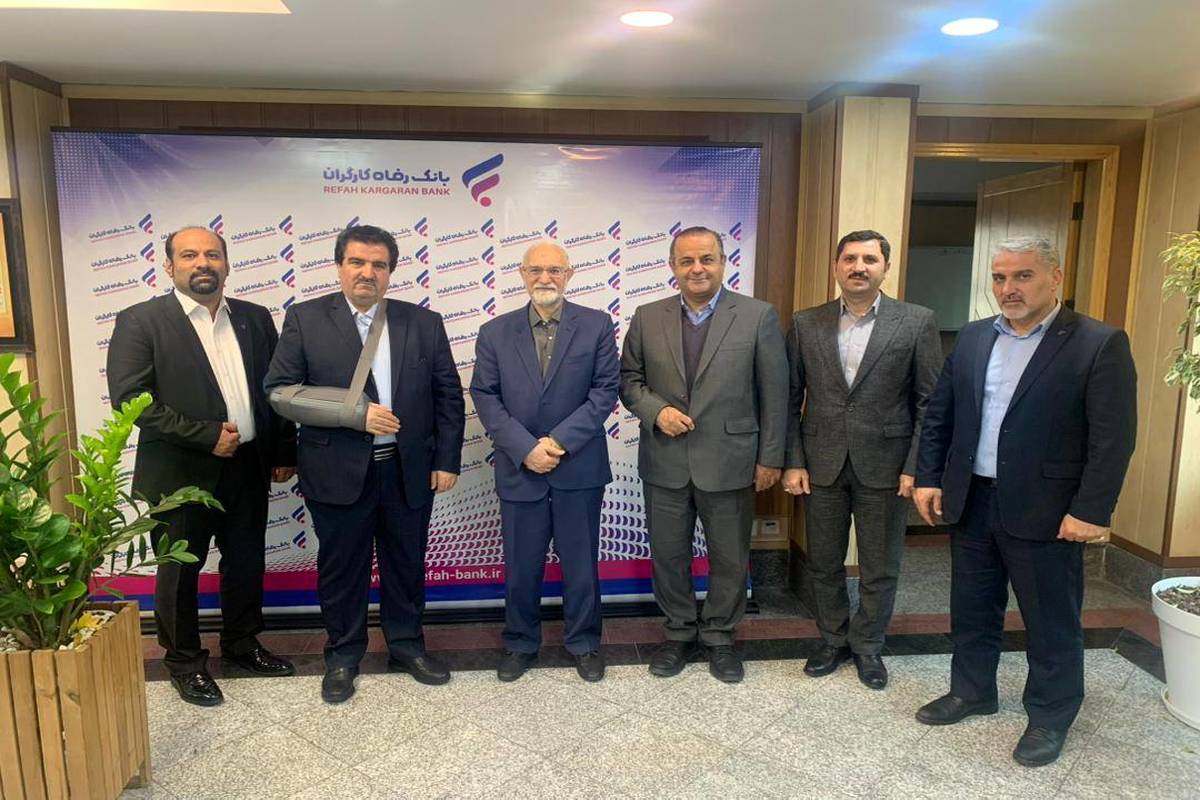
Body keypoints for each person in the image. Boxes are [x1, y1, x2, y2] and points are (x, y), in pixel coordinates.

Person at [913, 236, 1136, 767]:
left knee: (1050, 618)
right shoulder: (973, 337)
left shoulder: (1097, 343)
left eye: (1023, 276)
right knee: (972, 607)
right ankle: (972, 691)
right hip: (973, 499)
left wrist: (1090, 510)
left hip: (1049, 509)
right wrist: (928, 477)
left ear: (1055, 277)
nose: (1008, 288)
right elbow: (941, 414)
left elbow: (1113, 438)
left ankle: (1051, 715)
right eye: (1000, 277)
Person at [264, 224, 465, 703]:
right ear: (339, 266)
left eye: (378, 265)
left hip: (406, 470)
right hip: (336, 471)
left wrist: (446, 459)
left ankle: (407, 646)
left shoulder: (423, 322)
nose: (367, 273)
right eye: (357, 262)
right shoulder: (306, 319)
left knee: (406, 565)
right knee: (342, 570)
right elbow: (280, 391)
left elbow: (448, 396)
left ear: (390, 272)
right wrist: (354, 414)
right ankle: (342, 656)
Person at [107, 226, 297, 706]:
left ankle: (242, 644)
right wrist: (205, 435)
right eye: (189, 255)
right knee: (179, 572)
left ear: (226, 264)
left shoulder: (254, 318)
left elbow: (275, 389)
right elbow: (131, 400)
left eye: (212, 254)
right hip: (179, 473)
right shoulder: (141, 321)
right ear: (169, 266)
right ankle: (185, 662)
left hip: (248, 465)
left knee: (246, 561)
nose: (202, 263)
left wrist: (283, 450)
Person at [619, 225, 788, 683]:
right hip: (666, 459)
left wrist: (771, 458)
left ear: (723, 262)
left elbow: (776, 394)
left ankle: (720, 637)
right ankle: (678, 632)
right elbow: (629, 381)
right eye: (687, 260)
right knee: (668, 555)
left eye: (707, 259)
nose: (697, 268)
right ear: (672, 267)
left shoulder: (757, 316)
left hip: (732, 460)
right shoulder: (647, 317)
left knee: (729, 557)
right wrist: (657, 412)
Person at [782, 230, 941, 690]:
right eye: (850, 258)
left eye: (870, 259)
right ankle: (833, 640)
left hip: (888, 466)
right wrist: (793, 460)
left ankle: (868, 645)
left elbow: (930, 402)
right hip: (821, 462)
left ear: (885, 268)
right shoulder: (806, 322)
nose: (859, 267)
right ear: (836, 267)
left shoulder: (916, 322)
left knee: (880, 565)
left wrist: (916, 466)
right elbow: (789, 398)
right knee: (823, 562)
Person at [470, 241, 619, 682]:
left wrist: (556, 443)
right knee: (521, 566)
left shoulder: (596, 325)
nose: (545, 278)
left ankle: (585, 643)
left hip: (579, 466)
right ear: (522, 274)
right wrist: (525, 449)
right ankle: (520, 643)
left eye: (554, 269)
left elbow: (604, 391)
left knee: (581, 564)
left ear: (569, 274)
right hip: (521, 468)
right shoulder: (494, 332)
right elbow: (485, 395)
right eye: (535, 270)